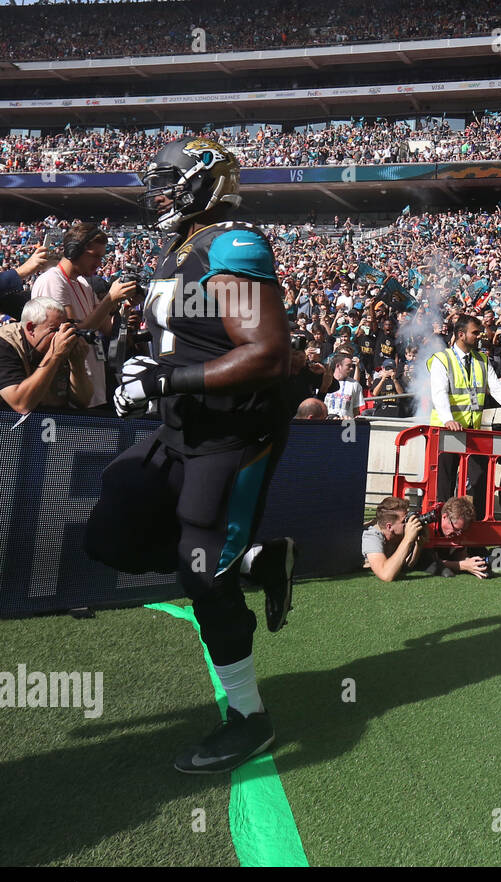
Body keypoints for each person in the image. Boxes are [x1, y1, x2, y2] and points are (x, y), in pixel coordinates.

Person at [83, 136, 293, 774]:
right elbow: (189, 339)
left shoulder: (232, 245)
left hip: (228, 440)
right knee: (112, 532)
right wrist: (150, 368)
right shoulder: (181, 249)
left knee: (202, 576)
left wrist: (163, 381)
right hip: (180, 432)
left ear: (207, 185)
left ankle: (249, 717)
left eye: (171, 182)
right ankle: (258, 558)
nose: (160, 193)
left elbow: (266, 353)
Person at [30, 221, 138, 408]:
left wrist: (125, 308)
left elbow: (106, 327)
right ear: (74, 251)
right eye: (94, 256)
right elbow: (74, 332)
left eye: (101, 257)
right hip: (69, 390)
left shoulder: (84, 285)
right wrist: (110, 299)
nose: (98, 263)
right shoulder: (53, 280)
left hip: (93, 389)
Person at [427, 314, 501, 510]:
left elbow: (498, 390)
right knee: (443, 487)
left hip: (473, 434)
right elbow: (438, 393)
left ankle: (474, 537)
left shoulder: (482, 359)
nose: (479, 336)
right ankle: (440, 532)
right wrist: (448, 419)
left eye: (480, 332)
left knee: (478, 484)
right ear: (460, 335)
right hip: (445, 432)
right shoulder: (442, 359)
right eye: (475, 333)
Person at [0, 296, 93, 413]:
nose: (61, 336)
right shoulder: (5, 343)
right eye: (54, 330)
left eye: (63, 329)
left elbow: (83, 401)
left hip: (51, 423)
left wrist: (77, 364)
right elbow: (21, 404)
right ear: (31, 328)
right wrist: (54, 355)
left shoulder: (62, 346)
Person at [363, 495, 488, 580]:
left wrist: (419, 543)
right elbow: (386, 575)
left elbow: (407, 567)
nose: (409, 523)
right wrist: (408, 538)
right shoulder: (372, 536)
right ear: (389, 526)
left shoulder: (398, 533)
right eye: (404, 521)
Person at [323, 353, 362, 418]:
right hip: (326, 423)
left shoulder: (355, 384)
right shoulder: (324, 381)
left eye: (352, 366)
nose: (351, 368)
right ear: (338, 366)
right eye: (348, 366)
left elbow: (356, 410)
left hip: (346, 424)